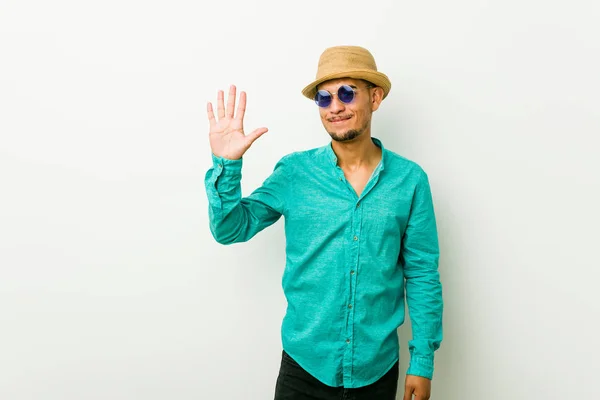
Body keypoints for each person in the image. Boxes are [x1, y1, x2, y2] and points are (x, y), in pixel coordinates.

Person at [204, 45, 443, 400]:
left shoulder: (410, 181)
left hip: (376, 370)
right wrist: (226, 165)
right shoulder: (294, 173)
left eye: (347, 93)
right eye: (324, 98)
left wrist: (421, 362)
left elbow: (422, 273)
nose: (336, 107)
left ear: (375, 98)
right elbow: (230, 229)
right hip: (304, 368)